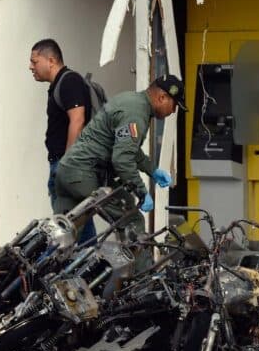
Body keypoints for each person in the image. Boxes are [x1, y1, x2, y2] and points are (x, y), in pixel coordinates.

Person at [53, 74, 186, 261]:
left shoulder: (131, 101)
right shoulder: (136, 113)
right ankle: (145, 282)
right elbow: (122, 159)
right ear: (162, 97)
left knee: (62, 237)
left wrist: (152, 170)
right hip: (84, 174)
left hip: (68, 172)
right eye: (174, 105)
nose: (173, 111)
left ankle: (36, 278)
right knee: (131, 219)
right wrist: (142, 191)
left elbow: (128, 149)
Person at [29, 39, 96, 244]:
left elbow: (78, 120)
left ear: (51, 60)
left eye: (34, 61)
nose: (30, 66)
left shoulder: (69, 81)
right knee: (76, 223)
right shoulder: (59, 84)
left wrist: (67, 163)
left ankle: (87, 266)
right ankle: (88, 266)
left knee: (70, 225)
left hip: (68, 165)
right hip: (63, 163)